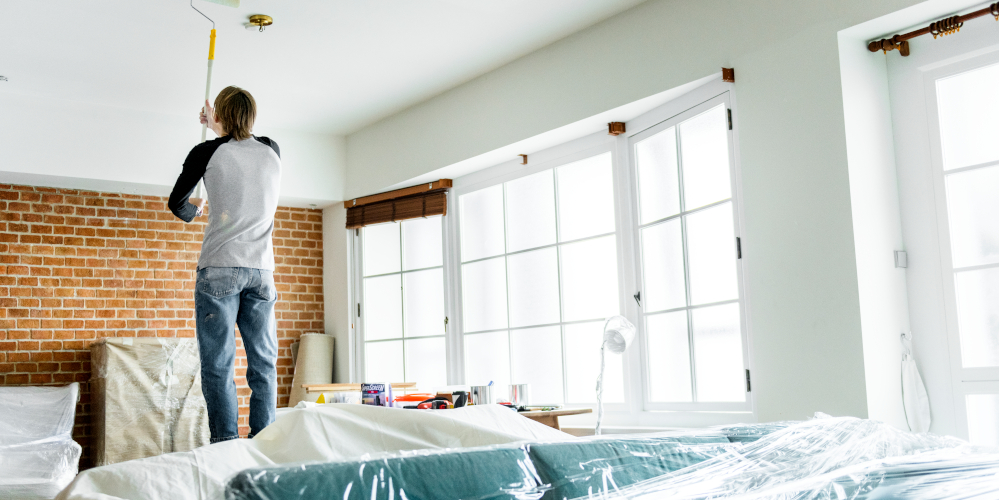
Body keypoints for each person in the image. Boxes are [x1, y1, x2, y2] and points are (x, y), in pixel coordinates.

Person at [168, 86, 282, 443]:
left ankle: (226, 446)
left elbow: (177, 203)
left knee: (219, 366)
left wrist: (195, 211)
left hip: (219, 267)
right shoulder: (271, 150)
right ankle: (265, 444)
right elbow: (241, 154)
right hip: (262, 271)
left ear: (220, 114)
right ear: (251, 115)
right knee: (263, 366)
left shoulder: (206, 151)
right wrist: (219, 125)